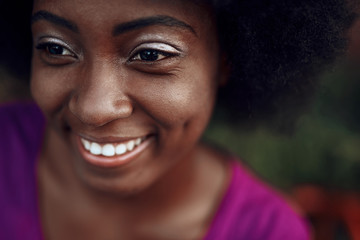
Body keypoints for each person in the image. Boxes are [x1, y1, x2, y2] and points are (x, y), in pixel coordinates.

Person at [0, 0, 355, 239]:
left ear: (225, 60)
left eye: (150, 54)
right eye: (55, 48)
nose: (93, 108)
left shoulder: (265, 231)